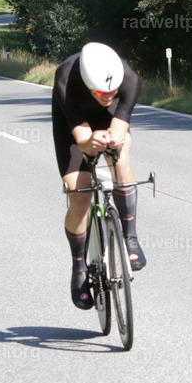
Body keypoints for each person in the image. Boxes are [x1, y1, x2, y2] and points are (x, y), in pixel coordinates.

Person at [52, 42, 146, 310]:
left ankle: (130, 237)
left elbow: (120, 126)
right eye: (102, 93)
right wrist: (89, 142)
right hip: (74, 124)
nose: (108, 96)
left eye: (112, 92)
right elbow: (82, 139)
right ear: (87, 83)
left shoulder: (128, 79)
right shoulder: (66, 79)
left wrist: (113, 139)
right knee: (79, 193)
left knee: (121, 158)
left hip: (108, 119)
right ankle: (79, 267)